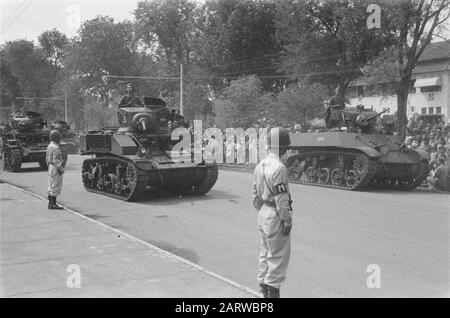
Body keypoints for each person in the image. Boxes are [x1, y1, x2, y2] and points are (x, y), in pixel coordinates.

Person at [252, 127, 293, 298]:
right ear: (281, 148)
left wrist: (263, 209)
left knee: (264, 254)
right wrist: (287, 220)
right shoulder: (279, 167)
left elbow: (254, 196)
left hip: (263, 212)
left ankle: (263, 293)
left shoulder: (259, 165)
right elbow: (282, 197)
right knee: (277, 258)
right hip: (275, 215)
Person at [46, 130, 66, 210]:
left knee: (51, 184)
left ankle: (50, 203)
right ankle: (53, 204)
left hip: (50, 166)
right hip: (55, 167)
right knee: (56, 185)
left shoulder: (49, 145)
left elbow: (47, 157)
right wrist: (61, 169)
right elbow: (56, 160)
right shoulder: (56, 147)